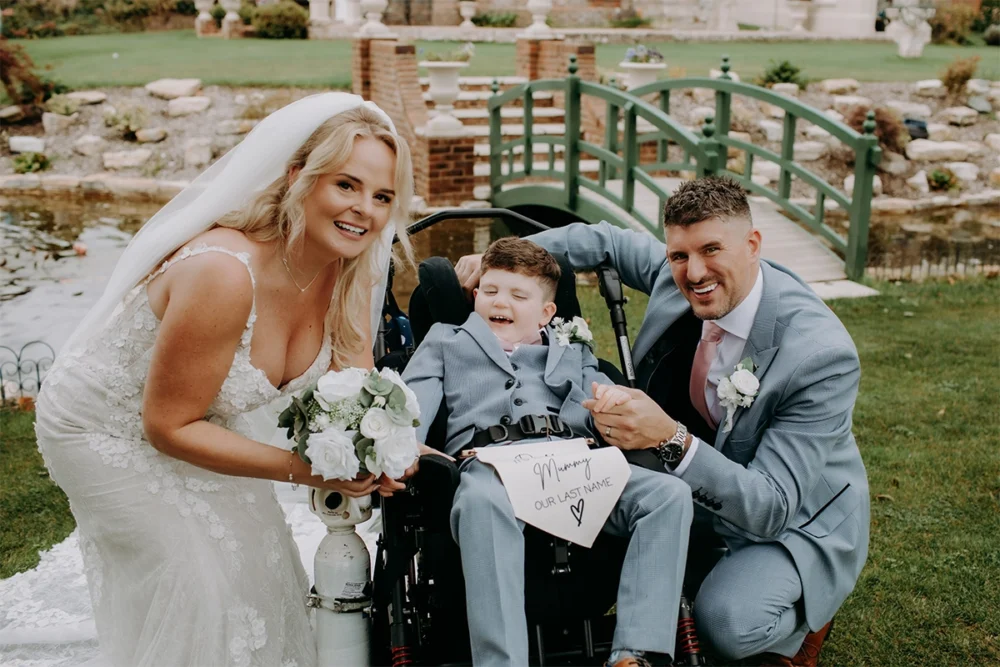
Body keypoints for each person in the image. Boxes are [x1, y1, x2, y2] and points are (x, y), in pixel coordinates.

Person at [32, 94, 419, 666]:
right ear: (299, 178)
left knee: (260, 568)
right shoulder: (223, 272)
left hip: (202, 415)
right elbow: (166, 427)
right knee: (200, 585)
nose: (365, 209)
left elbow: (358, 383)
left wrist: (393, 448)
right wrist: (305, 469)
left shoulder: (349, 268)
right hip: (102, 429)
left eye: (382, 196)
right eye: (346, 186)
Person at [455, 177, 870, 667]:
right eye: (679, 256)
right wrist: (503, 263)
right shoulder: (681, 274)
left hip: (792, 519)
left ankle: (801, 613)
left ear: (753, 244)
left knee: (726, 625)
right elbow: (602, 240)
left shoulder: (821, 356)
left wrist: (668, 437)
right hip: (695, 492)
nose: (694, 273)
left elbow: (770, 507)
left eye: (712, 249)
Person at [402, 237, 693, 667]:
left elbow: (603, 401)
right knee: (481, 501)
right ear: (476, 294)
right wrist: (409, 443)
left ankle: (636, 653)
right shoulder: (448, 340)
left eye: (518, 296)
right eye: (491, 290)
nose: (501, 302)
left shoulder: (572, 350)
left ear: (546, 313)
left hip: (573, 460)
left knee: (668, 495)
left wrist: (610, 407)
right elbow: (414, 402)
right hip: (493, 464)